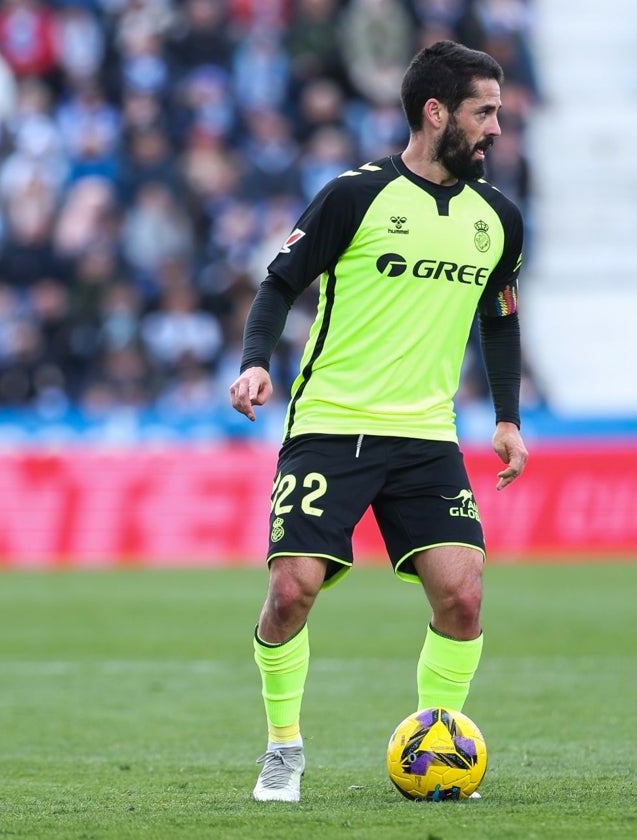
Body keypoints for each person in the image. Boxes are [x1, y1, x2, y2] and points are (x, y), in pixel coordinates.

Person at [228, 39, 528, 803]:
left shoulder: (498, 218)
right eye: (483, 112)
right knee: (292, 591)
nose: (496, 127)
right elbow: (278, 284)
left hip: (427, 435)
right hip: (331, 423)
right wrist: (257, 360)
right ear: (436, 113)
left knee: (462, 595)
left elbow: (497, 316)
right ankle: (283, 750)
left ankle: (439, 744)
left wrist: (506, 417)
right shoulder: (354, 196)